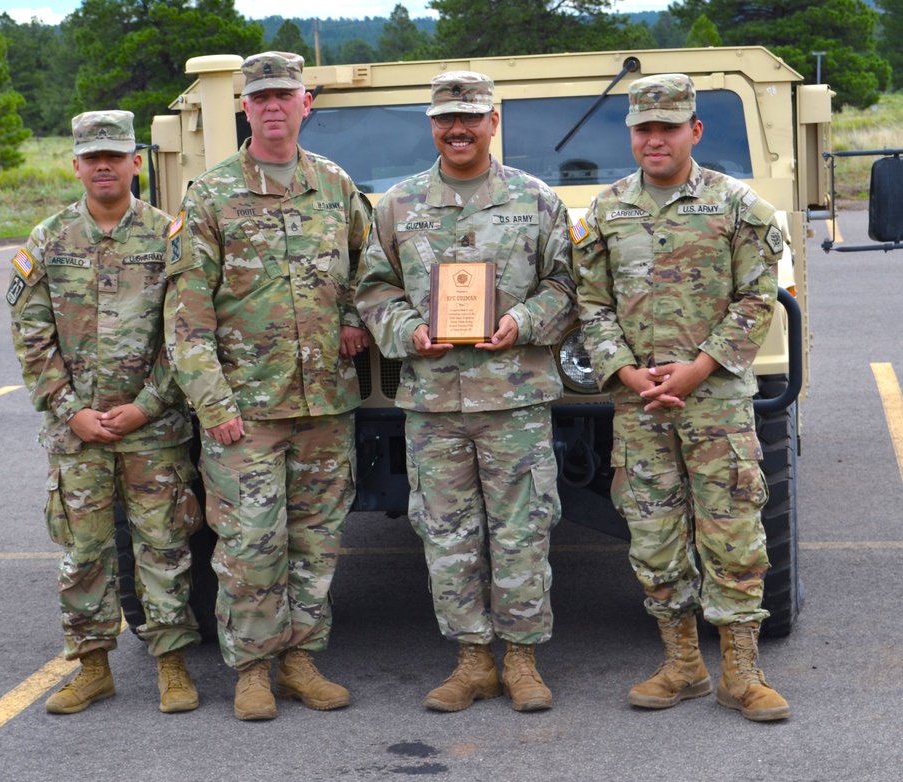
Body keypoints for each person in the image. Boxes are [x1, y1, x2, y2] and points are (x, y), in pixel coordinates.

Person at [570, 74, 791, 722]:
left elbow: (758, 299)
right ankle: (683, 665)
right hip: (638, 406)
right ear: (632, 135)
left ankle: (742, 675)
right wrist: (626, 372)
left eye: (669, 126)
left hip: (714, 402)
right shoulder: (605, 214)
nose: (656, 138)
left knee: (733, 535)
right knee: (653, 535)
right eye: (645, 127)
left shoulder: (738, 206)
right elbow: (591, 305)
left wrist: (698, 368)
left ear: (695, 130)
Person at [355, 71, 575, 713]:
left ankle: (524, 661)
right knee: (446, 535)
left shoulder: (537, 202)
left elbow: (567, 287)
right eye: (446, 119)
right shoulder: (398, 206)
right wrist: (407, 330)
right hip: (433, 405)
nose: (458, 129)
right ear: (432, 126)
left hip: (514, 400)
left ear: (492, 122)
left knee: (523, 531)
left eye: (470, 117)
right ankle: (472, 660)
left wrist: (522, 323)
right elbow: (372, 289)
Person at [164, 51, 371, 721]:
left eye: (286, 94)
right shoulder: (211, 195)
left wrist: (351, 319)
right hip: (246, 413)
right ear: (245, 108)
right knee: (250, 546)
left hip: (324, 405)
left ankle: (299, 661)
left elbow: (372, 276)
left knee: (315, 541)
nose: (274, 106)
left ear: (305, 104)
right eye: (262, 98)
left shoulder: (335, 187)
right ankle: (252, 670)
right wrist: (214, 406)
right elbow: (186, 317)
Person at [7, 110, 202, 715]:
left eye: (114, 156)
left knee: (163, 547)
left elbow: (187, 332)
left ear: (135, 163)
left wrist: (147, 406)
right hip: (79, 436)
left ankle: (172, 668)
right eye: (92, 158)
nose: (103, 166)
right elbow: (30, 335)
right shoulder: (47, 240)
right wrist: (71, 412)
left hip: (154, 431)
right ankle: (93, 669)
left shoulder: (170, 237)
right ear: (75, 165)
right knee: (84, 553)